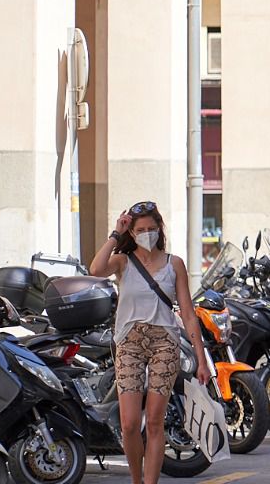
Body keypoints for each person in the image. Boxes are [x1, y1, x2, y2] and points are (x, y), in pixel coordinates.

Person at [89, 201, 211, 484]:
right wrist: (115, 234)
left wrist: (201, 359)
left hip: (163, 343)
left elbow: (189, 315)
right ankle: (136, 479)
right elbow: (95, 268)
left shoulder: (174, 264)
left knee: (155, 421)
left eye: (151, 229)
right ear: (131, 232)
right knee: (130, 423)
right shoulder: (122, 261)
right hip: (129, 343)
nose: (147, 233)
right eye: (140, 229)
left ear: (160, 229)